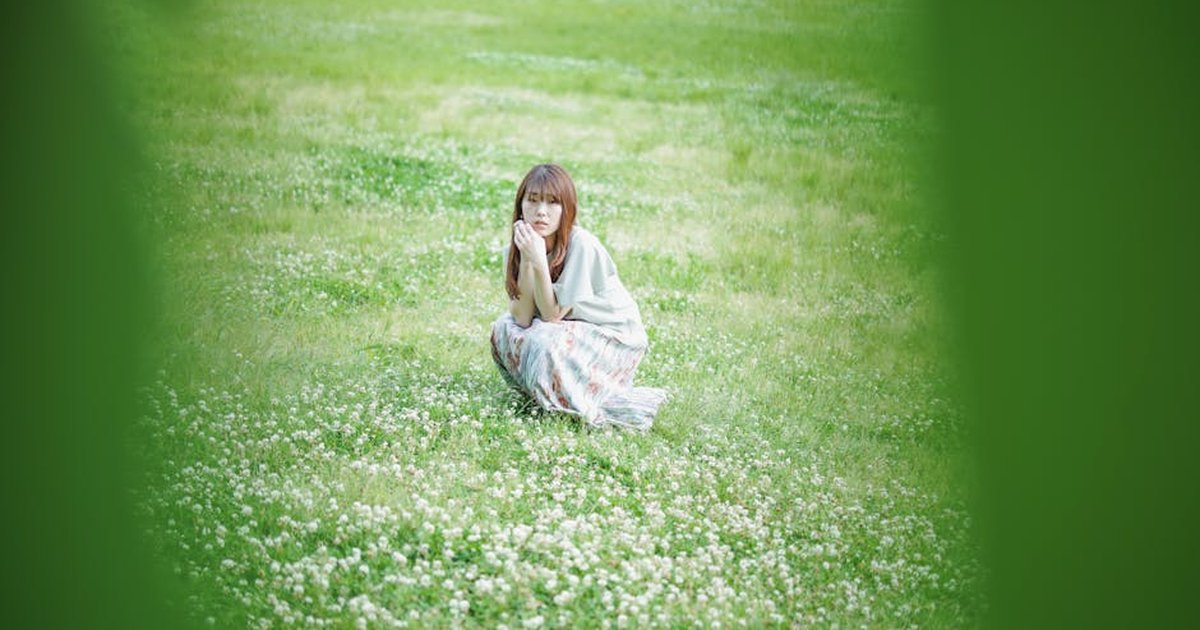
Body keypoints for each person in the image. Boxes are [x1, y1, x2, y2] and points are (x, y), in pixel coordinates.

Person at [489, 164, 667, 431]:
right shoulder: (520, 246)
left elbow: (551, 315)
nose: (541, 211)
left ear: (567, 208)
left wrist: (538, 260)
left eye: (552, 203)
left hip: (613, 336)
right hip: (572, 330)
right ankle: (543, 396)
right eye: (533, 200)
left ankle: (570, 405)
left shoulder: (581, 244)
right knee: (504, 328)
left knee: (544, 339)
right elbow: (522, 317)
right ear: (520, 205)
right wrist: (527, 258)